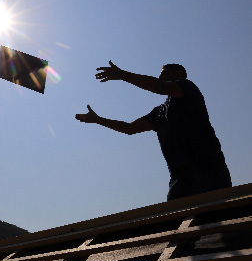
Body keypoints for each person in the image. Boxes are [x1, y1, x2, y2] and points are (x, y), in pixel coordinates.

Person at [75, 61, 231, 201]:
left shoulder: (188, 88)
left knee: (219, 217)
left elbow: (159, 87)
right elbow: (130, 128)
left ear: (178, 75)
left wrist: (122, 75)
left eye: (164, 73)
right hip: (179, 176)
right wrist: (98, 120)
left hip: (207, 166)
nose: (160, 77)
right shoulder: (158, 113)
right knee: (179, 224)